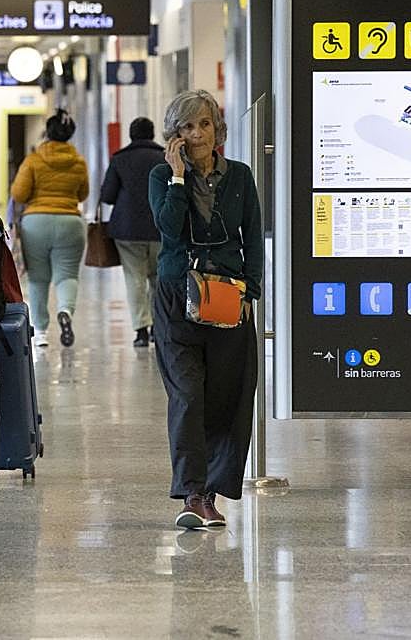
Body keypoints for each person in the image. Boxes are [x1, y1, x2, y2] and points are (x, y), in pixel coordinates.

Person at [148, 89, 263, 530]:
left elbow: (252, 236)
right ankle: (192, 494)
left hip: (227, 296)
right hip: (178, 294)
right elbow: (169, 230)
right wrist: (179, 178)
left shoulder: (240, 176)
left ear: (218, 128)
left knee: (226, 397)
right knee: (187, 394)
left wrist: (250, 291)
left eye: (205, 124)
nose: (197, 134)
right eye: (187, 127)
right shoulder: (162, 176)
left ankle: (212, 492)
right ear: (174, 135)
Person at [10, 109, 89, 348]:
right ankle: (65, 311)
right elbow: (83, 193)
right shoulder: (78, 161)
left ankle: (41, 332)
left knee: (38, 279)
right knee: (67, 276)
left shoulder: (34, 159)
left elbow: (19, 193)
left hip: (36, 223)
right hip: (70, 222)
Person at [101, 116, 166, 348]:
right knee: (159, 279)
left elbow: (107, 196)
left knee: (134, 279)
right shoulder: (165, 157)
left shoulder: (120, 159)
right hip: (160, 228)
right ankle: (159, 328)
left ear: (131, 135)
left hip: (127, 231)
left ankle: (141, 331)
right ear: (152, 133)